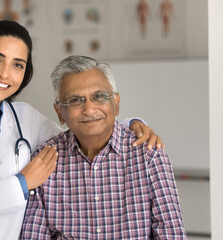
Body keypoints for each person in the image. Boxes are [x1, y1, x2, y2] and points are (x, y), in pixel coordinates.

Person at [0, 21, 162, 240]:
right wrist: (22, 183)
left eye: (17, 65)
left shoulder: (24, 118)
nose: (4, 73)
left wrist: (131, 123)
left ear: (24, 73)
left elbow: (79, 131)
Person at [20, 55, 186, 239]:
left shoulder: (149, 155)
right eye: (75, 100)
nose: (89, 110)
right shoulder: (45, 160)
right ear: (60, 112)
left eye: (99, 97)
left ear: (116, 103)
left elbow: (171, 234)